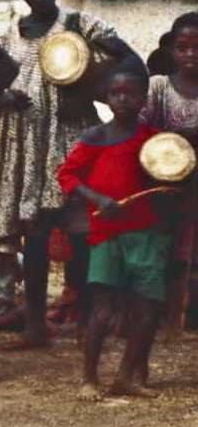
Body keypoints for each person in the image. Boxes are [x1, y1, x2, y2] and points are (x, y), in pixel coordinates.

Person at [0, 0, 131, 345]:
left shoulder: (80, 25)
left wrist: (89, 91)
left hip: (70, 141)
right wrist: (4, 97)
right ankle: (35, 326)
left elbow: (129, 63)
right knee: (35, 234)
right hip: (23, 148)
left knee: (80, 232)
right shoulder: (9, 34)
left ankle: (84, 320)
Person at [57, 64, 169, 399]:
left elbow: (172, 169)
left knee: (147, 308)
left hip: (147, 233)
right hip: (106, 233)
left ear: (141, 99)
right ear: (106, 99)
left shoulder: (153, 139)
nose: (122, 99)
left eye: (130, 93)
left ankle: (126, 377)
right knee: (102, 309)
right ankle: (89, 379)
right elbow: (67, 176)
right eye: (116, 93)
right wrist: (98, 198)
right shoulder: (96, 137)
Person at [141, 11, 198, 326]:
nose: (190, 54)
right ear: (172, 50)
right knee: (165, 247)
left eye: (197, 47)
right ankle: (162, 313)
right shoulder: (159, 87)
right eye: (183, 47)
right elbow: (139, 131)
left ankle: (190, 315)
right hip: (161, 183)